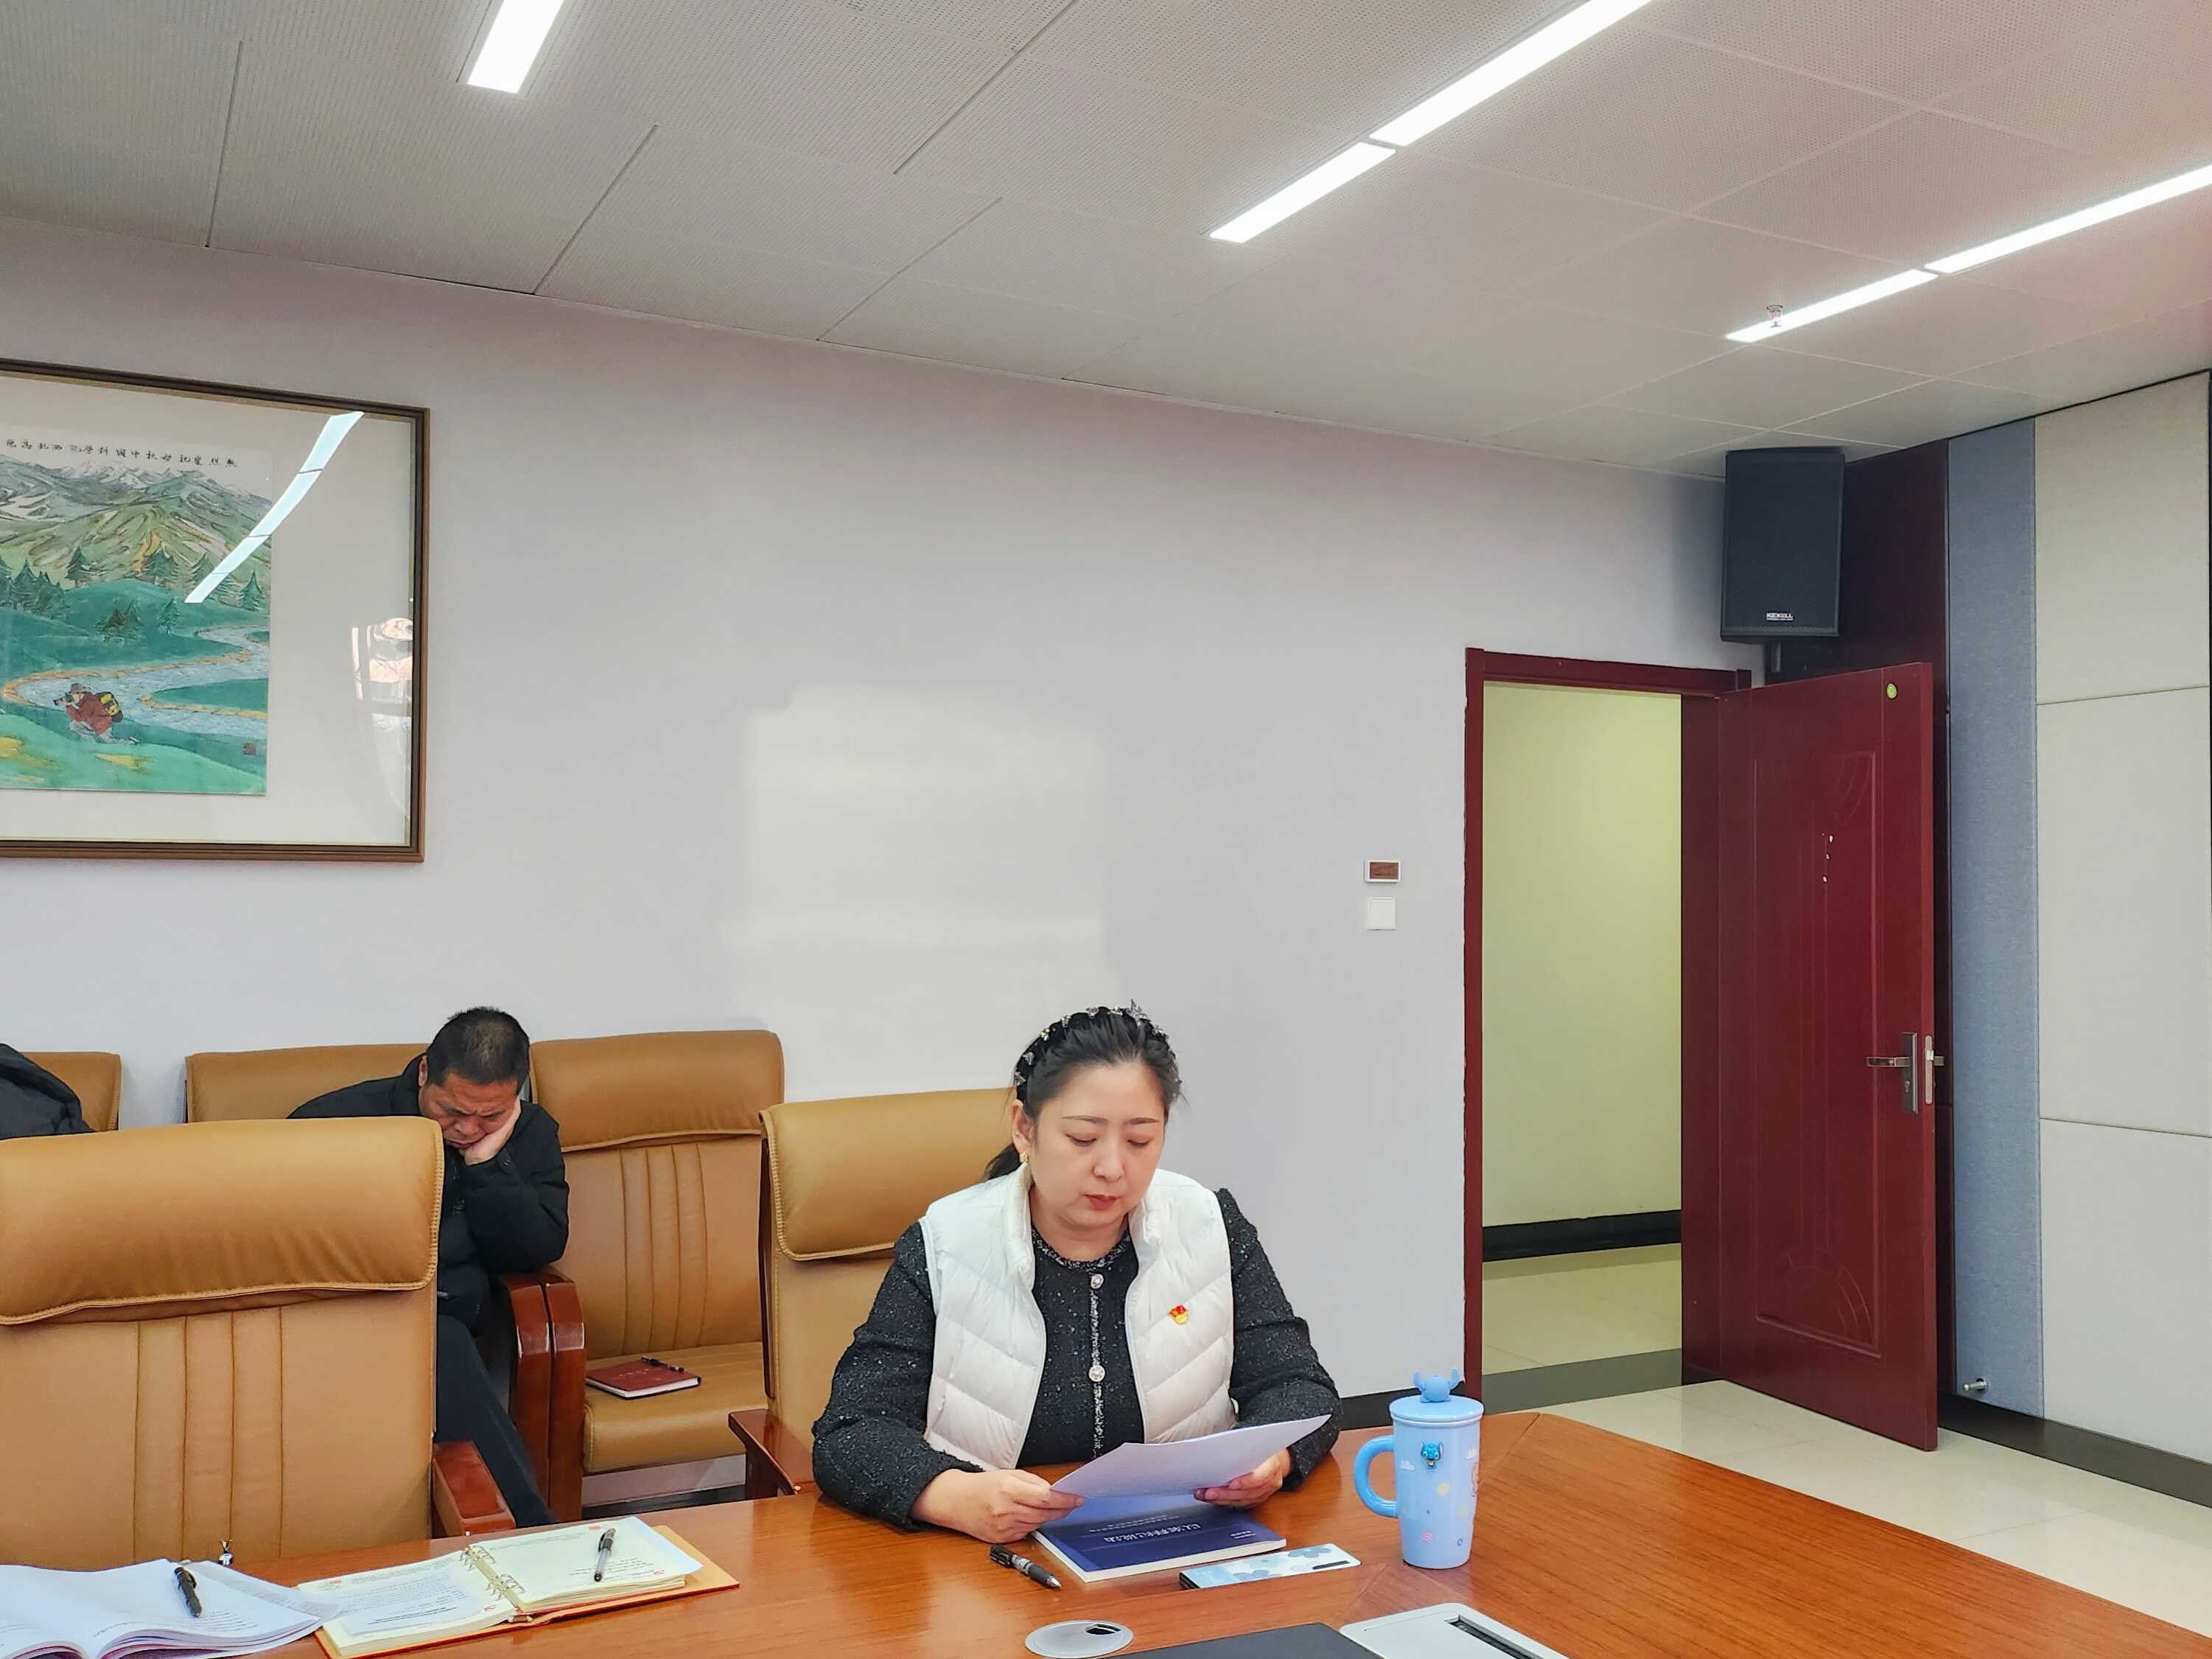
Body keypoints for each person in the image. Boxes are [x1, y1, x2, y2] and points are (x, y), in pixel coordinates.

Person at [812, 1005, 1340, 1540]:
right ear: (1025, 1128)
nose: (1112, 1168)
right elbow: (852, 1430)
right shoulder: (947, 1244)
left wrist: (1271, 1458)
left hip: (1182, 1540)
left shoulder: (1209, 1225)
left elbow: (1298, 1385)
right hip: (990, 1557)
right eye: (1084, 1139)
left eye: (1140, 1141)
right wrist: (951, 1495)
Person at [291, 1007, 566, 1526]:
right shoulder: (334, 1123)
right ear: (424, 1072)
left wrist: (488, 1164)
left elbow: (537, 1248)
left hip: (458, 1322)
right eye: (452, 1111)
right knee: (435, 1339)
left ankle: (514, 1530)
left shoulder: (529, 1133)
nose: (467, 1129)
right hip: (342, 1318)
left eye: (490, 1116)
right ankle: (530, 1528)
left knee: (442, 1339)